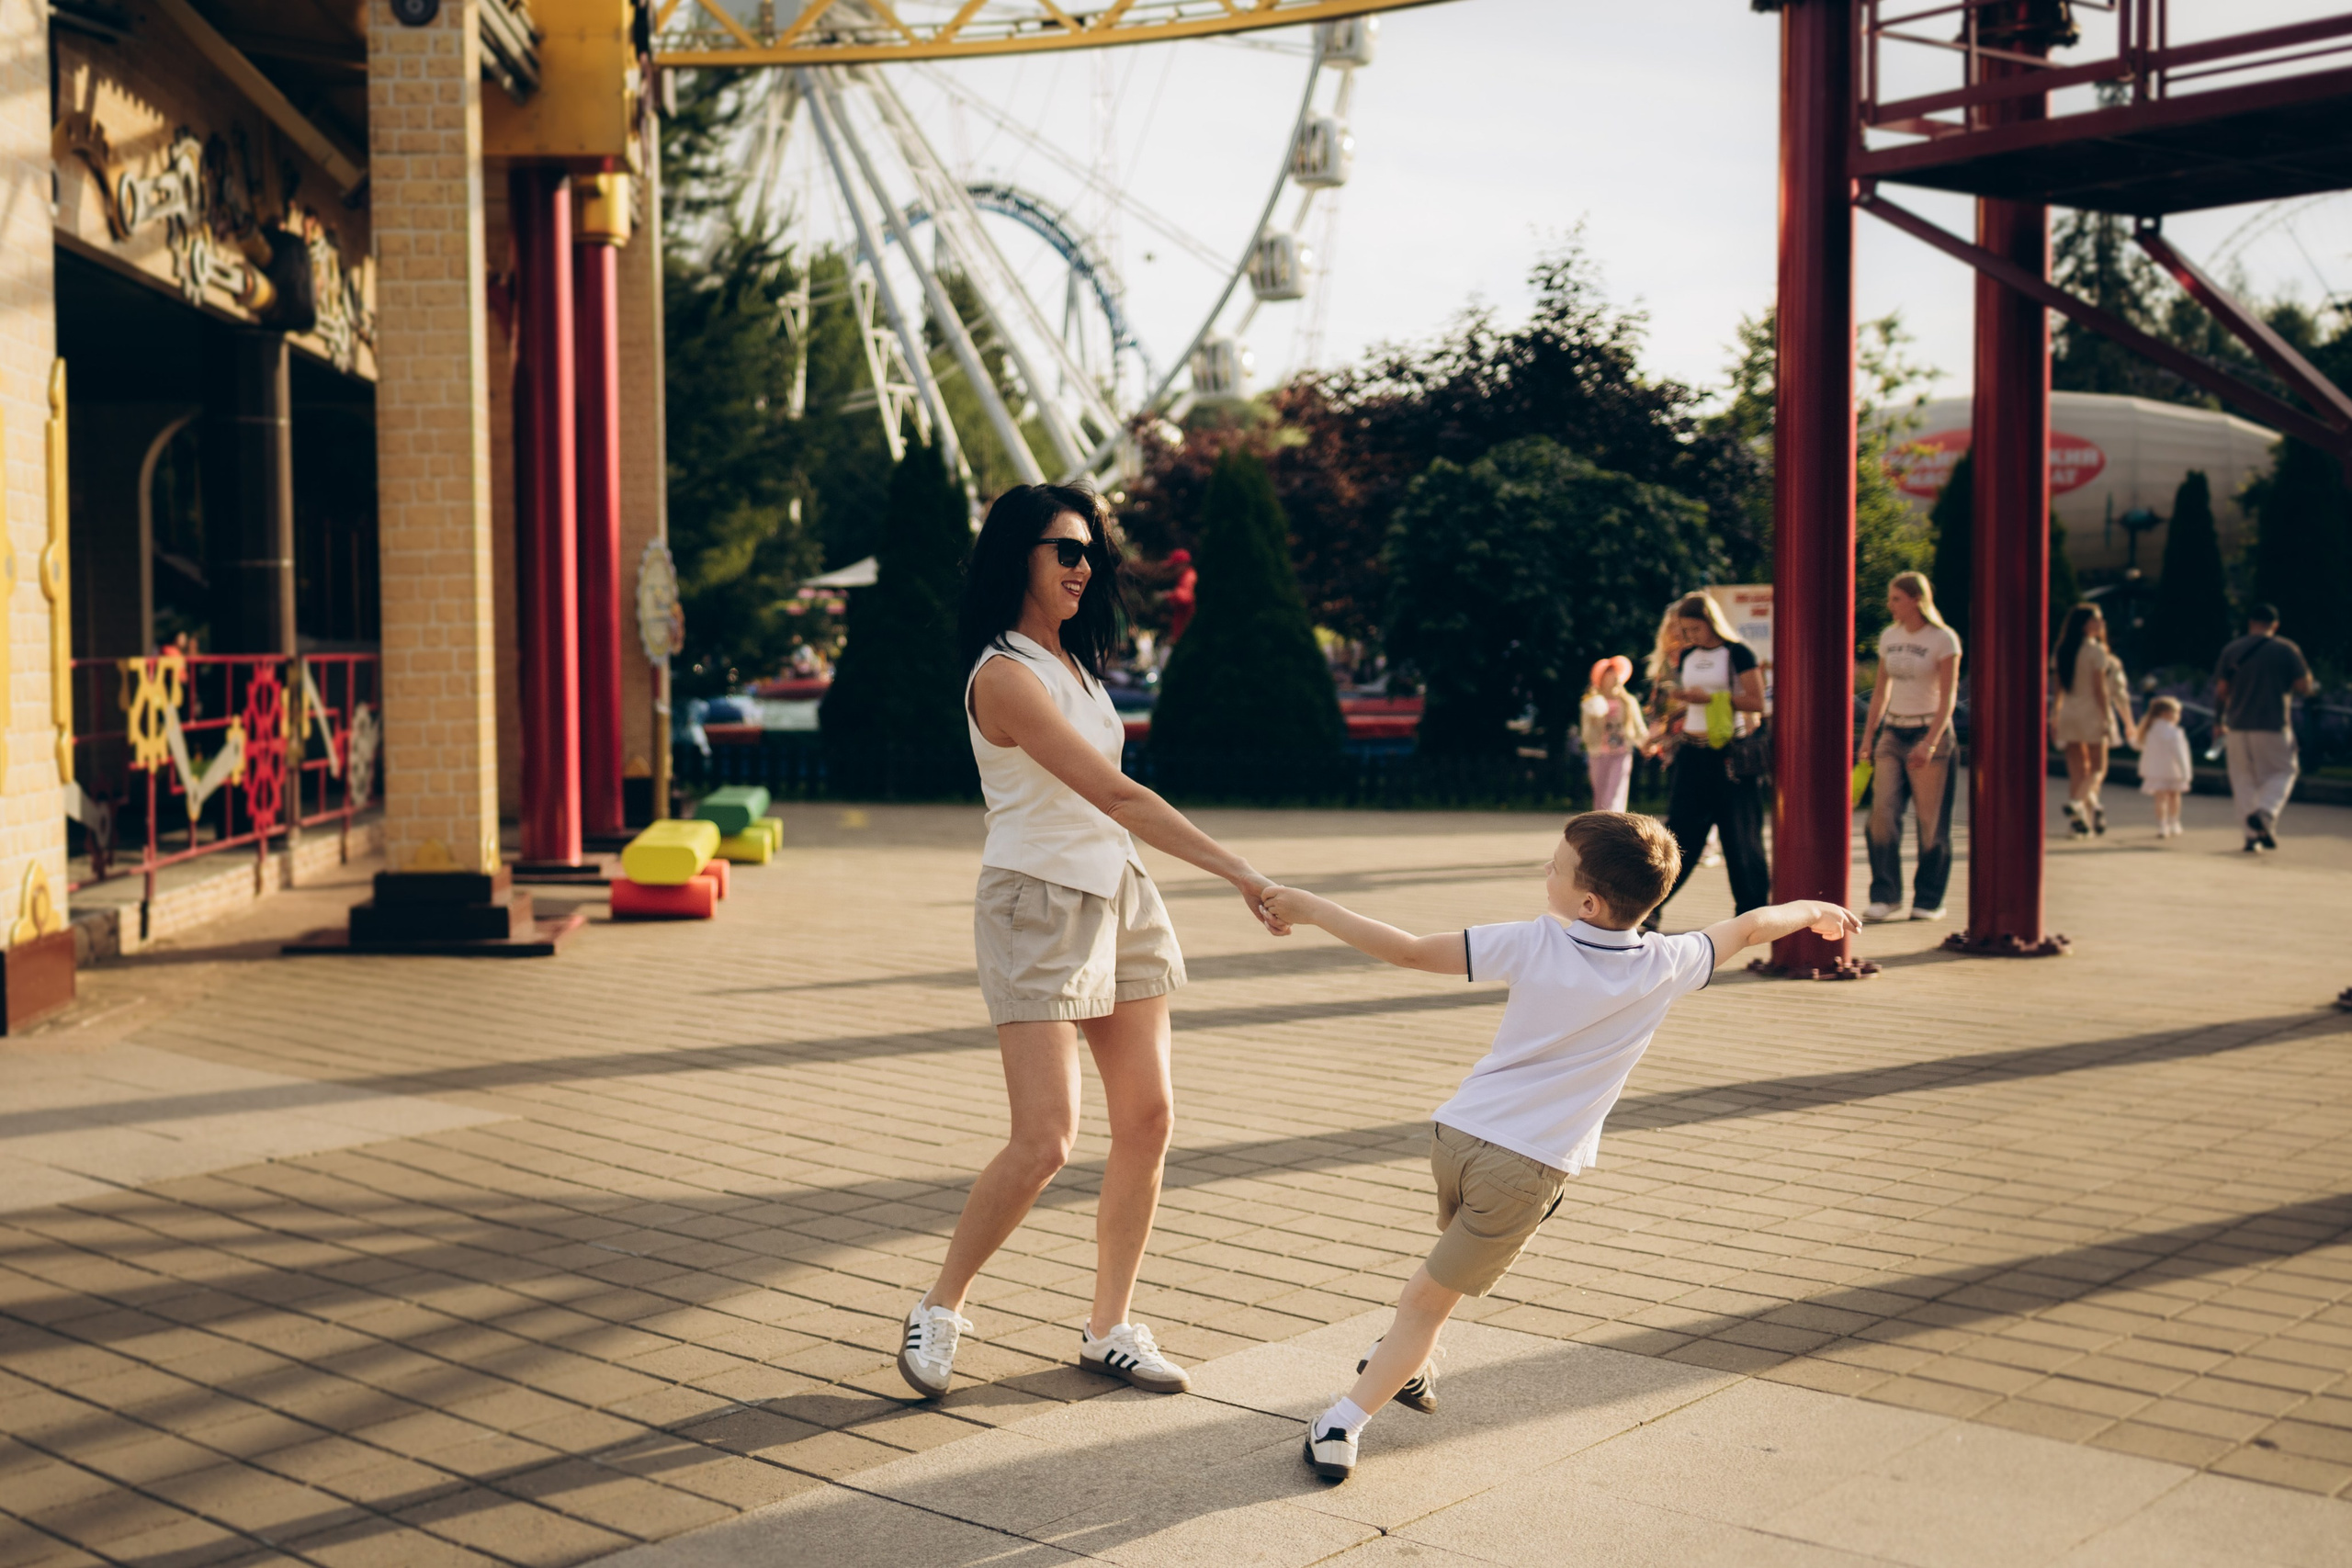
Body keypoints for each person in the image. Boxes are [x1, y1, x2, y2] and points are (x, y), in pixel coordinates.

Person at [1259, 813, 1859, 1484]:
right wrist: (1815, 910)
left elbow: (1406, 949)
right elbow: (1750, 926)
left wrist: (1313, 907)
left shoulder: (1533, 941)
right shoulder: (1669, 963)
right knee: (1426, 1303)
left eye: (1554, 865)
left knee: (1439, 1278)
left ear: (1587, 902)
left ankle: (1408, 1360)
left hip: (1454, 1138)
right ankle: (1341, 1420)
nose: (1543, 871)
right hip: (1522, 1171)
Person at [899, 483, 1291, 1401]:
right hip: (1036, 902)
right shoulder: (1004, 676)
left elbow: (1112, 812)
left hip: (1119, 893)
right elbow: (1114, 794)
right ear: (1016, 558)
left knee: (1149, 1120)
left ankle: (1109, 1326)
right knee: (1046, 1139)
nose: (1084, 569)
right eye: (1064, 551)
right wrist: (1240, 873)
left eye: (1090, 555)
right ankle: (941, 1306)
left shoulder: (1072, 663)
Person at [1647, 593, 1769, 927]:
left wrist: (1713, 699)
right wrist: (1684, 701)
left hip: (1729, 753)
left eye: (1695, 629)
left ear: (1712, 623)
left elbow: (1757, 700)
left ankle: (1752, 911)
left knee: (1740, 835)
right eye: (1686, 630)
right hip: (1693, 749)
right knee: (1680, 832)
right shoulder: (1687, 655)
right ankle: (1650, 905)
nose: (1690, 636)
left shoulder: (1737, 652)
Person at [1858, 571, 1962, 922]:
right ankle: (1886, 895)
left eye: (1896, 598)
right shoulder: (1889, 636)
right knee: (1881, 817)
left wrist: (1930, 743)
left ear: (1917, 599)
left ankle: (1929, 899)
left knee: (1931, 823)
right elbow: (1881, 692)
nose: (1890, 605)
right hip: (1893, 731)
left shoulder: (1943, 639)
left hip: (1929, 732)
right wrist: (1869, 737)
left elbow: (1949, 697)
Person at [2212, 603, 2313, 852]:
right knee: (2284, 771)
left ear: (2250, 623)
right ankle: (2266, 813)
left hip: (2236, 725)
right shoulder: (2286, 649)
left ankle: (2251, 834)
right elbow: (2304, 686)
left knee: (2243, 779)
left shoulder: (2232, 649)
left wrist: (2218, 721)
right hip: (2272, 723)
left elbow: (2221, 691)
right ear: (2275, 625)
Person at [2050, 604, 2120, 838]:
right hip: (2091, 713)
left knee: (2078, 772)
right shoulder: (2096, 650)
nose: (2101, 625)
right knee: (2098, 768)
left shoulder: (2063, 649)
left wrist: (2054, 715)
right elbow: (2100, 689)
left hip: (2069, 713)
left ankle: (2078, 824)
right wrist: (2107, 717)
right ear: (2084, 624)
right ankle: (2078, 804)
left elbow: (2058, 689)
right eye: (2096, 620)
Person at [1578, 656, 1649, 813]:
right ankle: (1601, 830)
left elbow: (1638, 727)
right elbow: (1586, 732)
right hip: (1598, 753)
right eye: (1610, 675)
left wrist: (1647, 744)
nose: (1615, 678)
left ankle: (1614, 828)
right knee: (1600, 796)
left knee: (1615, 795)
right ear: (1602, 678)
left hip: (1621, 753)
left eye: (1617, 674)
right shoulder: (1592, 702)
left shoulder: (1628, 701)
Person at [2132, 694, 2192, 839]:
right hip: (2173, 770)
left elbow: (2137, 745)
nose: (2178, 716)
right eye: (2176, 712)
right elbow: (2180, 755)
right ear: (2166, 713)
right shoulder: (2174, 732)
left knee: (2160, 799)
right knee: (2174, 796)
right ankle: (2174, 822)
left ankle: (2162, 825)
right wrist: (2186, 773)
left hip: (2155, 771)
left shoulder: (2149, 729)